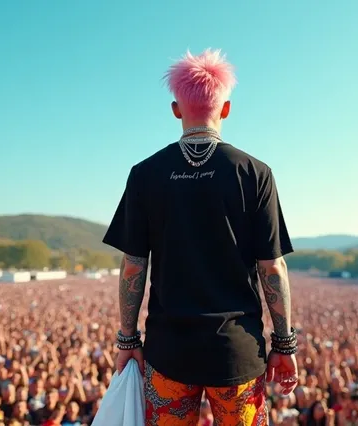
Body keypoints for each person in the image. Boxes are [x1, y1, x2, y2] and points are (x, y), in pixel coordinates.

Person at [103, 48, 296, 425]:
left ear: (177, 109)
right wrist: (284, 343)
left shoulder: (145, 174)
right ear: (225, 109)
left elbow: (132, 268)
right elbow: (272, 269)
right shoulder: (255, 172)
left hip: (168, 352)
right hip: (237, 353)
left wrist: (128, 341)